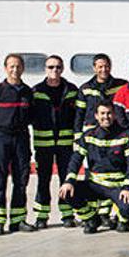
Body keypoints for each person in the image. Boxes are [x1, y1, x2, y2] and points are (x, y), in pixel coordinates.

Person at [59, 101, 129, 234]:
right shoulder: (89, 136)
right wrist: (69, 181)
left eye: (109, 113)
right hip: (95, 184)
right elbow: (76, 159)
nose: (106, 117)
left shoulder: (126, 135)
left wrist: (128, 188)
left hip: (117, 186)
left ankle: (120, 220)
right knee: (66, 192)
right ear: (96, 116)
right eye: (102, 113)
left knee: (128, 207)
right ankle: (92, 219)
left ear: (114, 115)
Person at [0, 54, 35, 234]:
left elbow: (32, 116)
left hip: (21, 139)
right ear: (5, 68)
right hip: (1, 140)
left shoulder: (28, 92)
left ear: (22, 68)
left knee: (21, 180)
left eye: (18, 66)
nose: (15, 70)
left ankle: (18, 220)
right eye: (11, 66)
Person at [30, 55, 79, 229]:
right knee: (44, 179)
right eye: (51, 67)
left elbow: (77, 117)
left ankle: (67, 215)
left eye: (58, 67)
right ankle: (42, 216)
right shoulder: (36, 91)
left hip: (65, 143)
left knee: (66, 179)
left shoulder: (72, 90)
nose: (54, 70)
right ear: (45, 69)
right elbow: (29, 115)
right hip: (43, 144)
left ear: (63, 68)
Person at [74, 53, 127, 140]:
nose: (104, 70)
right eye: (100, 67)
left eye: (107, 66)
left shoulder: (121, 86)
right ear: (94, 68)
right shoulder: (85, 88)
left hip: (115, 132)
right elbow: (79, 114)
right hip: (91, 133)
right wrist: (77, 136)